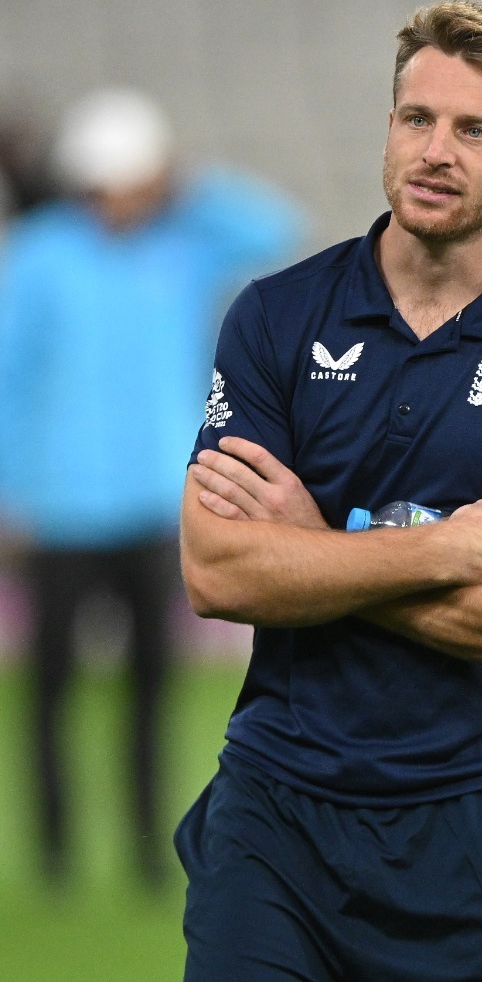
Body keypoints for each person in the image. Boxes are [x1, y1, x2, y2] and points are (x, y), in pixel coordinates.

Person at [175, 0, 482, 982]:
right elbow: (218, 572)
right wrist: (442, 550)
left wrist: (317, 551)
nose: (436, 151)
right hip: (277, 817)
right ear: (388, 127)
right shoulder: (275, 316)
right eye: (417, 119)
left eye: (476, 131)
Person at [0, 88, 302, 888]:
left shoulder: (183, 246)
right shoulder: (40, 255)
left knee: (151, 691)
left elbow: (274, 229)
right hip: (60, 510)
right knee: (51, 692)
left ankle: (144, 851)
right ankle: (55, 855)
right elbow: (6, 380)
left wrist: (188, 185)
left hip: (155, 505)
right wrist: (8, 495)